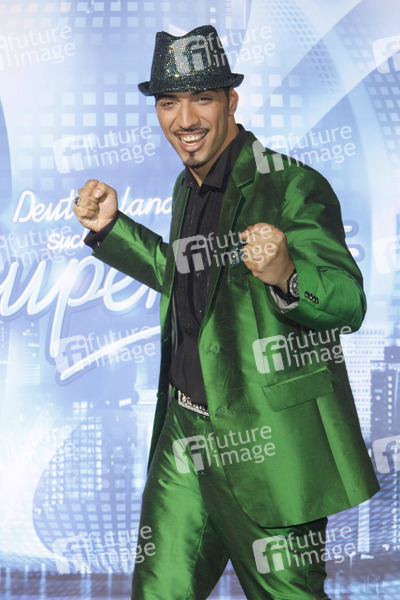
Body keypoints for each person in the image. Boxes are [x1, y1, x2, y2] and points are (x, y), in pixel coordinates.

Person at [73, 24, 379, 600]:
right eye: (169, 101)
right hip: (185, 434)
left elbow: (348, 302)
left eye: (202, 98)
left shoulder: (291, 185)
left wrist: (287, 274)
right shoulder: (186, 186)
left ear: (231, 101)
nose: (184, 119)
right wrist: (111, 228)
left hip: (271, 445)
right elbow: (185, 278)